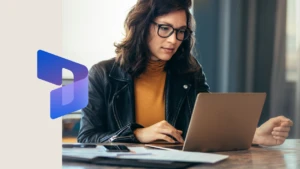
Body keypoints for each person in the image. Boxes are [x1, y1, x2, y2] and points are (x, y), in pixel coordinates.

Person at [77, 0, 293, 146]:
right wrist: (137, 134)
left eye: (181, 31)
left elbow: (208, 128)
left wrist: (253, 135)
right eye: (164, 28)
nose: (173, 40)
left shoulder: (189, 71)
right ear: (142, 26)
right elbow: (87, 139)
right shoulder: (102, 74)